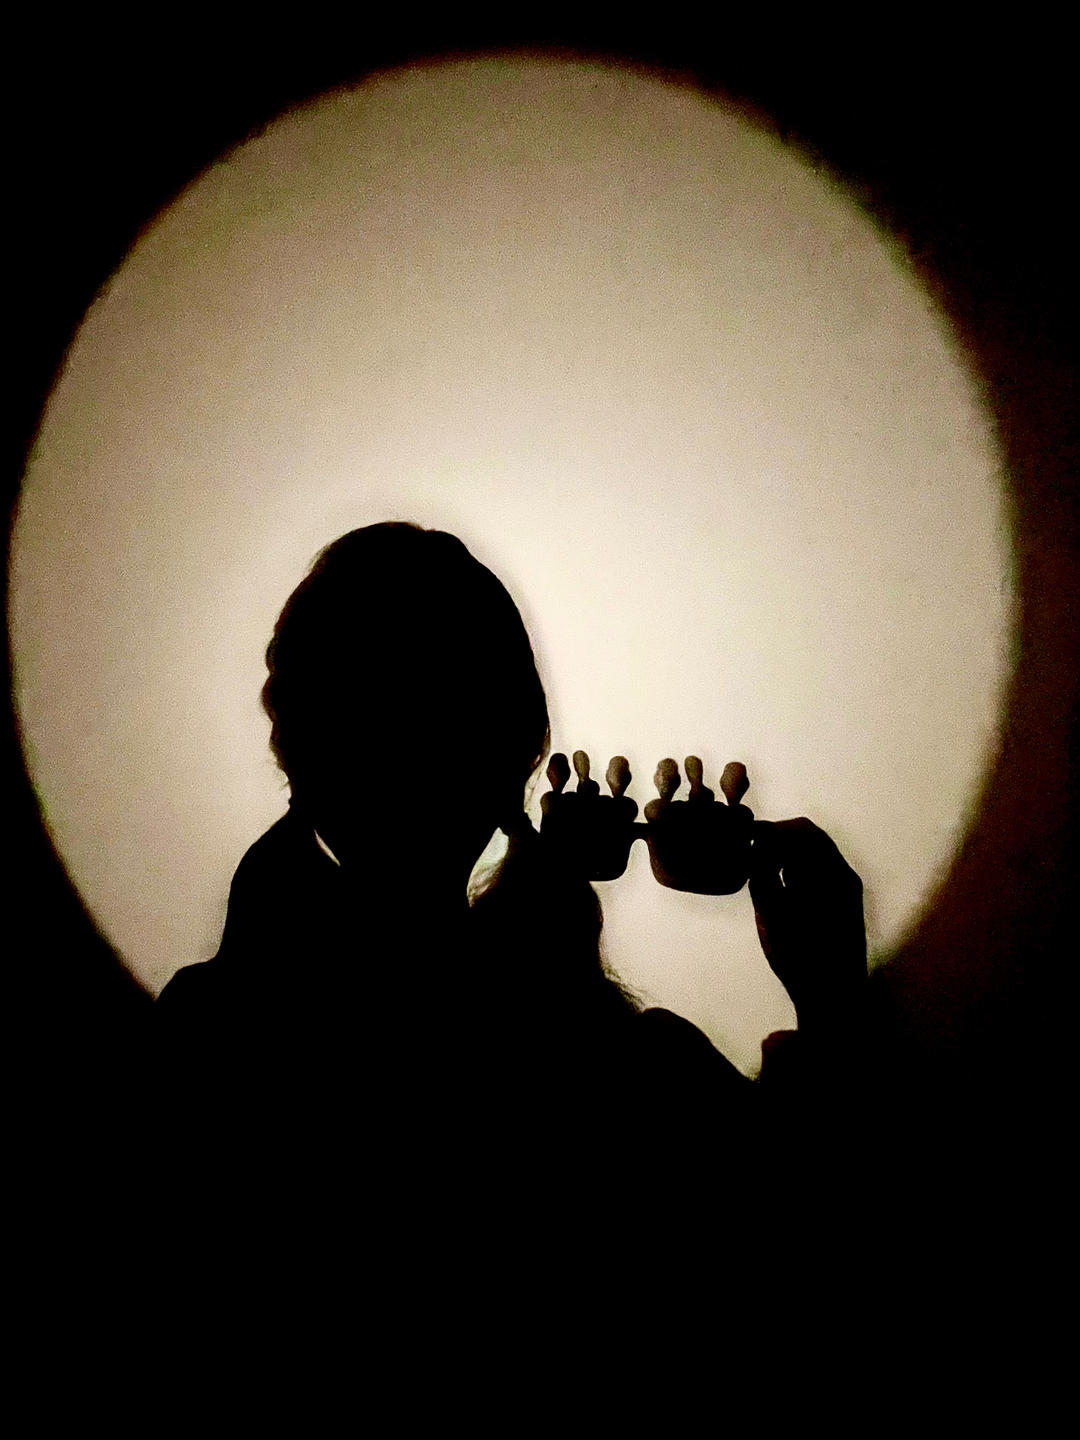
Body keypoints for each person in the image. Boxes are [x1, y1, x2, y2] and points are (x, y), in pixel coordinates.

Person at [155, 521, 867, 1244]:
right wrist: (833, 1007)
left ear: (294, 746)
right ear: (519, 757)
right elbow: (817, 1218)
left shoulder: (209, 1039)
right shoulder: (630, 1076)